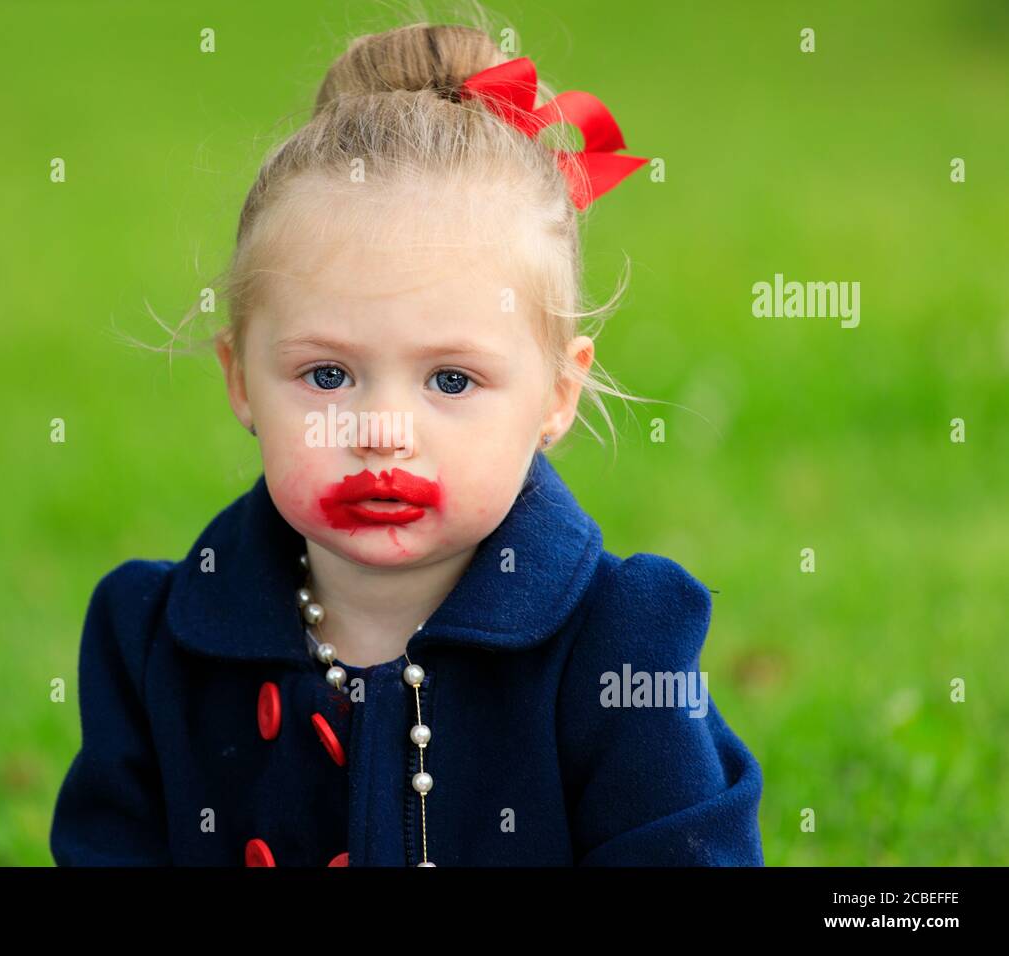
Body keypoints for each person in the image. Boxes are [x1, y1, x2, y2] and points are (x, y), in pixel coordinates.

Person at [50, 21, 763, 866]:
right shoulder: (156, 643)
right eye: (326, 376)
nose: (382, 432)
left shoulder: (619, 645)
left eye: (452, 381)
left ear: (557, 394)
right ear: (240, 378)